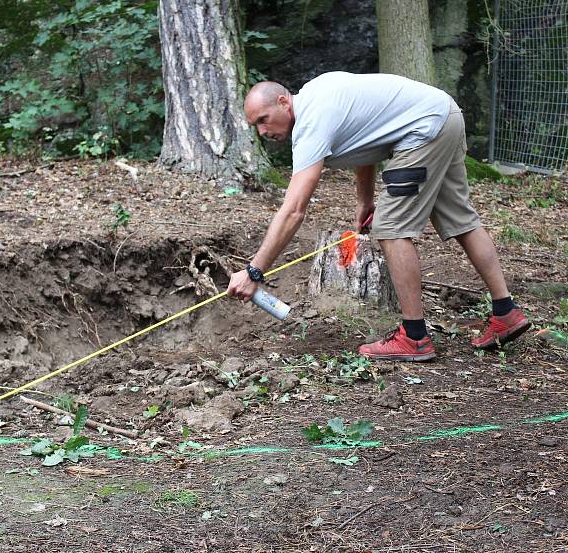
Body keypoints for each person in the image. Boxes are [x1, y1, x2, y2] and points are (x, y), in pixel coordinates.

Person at [226, 72, 530, 361]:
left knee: (391, 228)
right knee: (460, 218)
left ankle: (415, 337)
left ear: (283, 102)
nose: (263, 132)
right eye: (256, 126)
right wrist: (365, 200)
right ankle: (506, 311)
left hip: (422, 130)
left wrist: (254, 272)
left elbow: (293, 209)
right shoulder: (320, 95)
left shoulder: (311, 123)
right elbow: (366, 137)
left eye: (263, 120)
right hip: (445, 114)